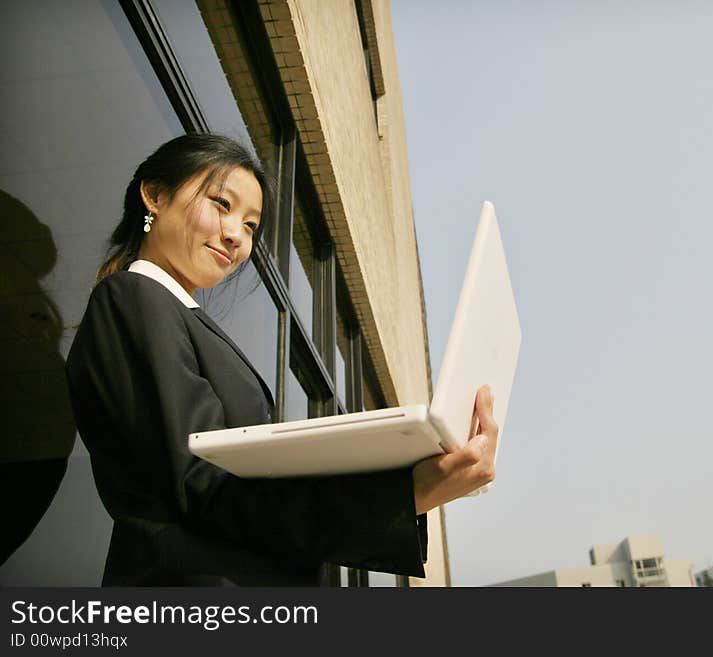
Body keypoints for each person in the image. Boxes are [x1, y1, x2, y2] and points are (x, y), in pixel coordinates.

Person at [64, 134, 498, 586]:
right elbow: (209, 488)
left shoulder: (174, 315)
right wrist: (408, 493)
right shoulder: (135, 296)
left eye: (251, 226)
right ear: (154, 195)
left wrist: (410, 477)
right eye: (221, 204)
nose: (235, 235)